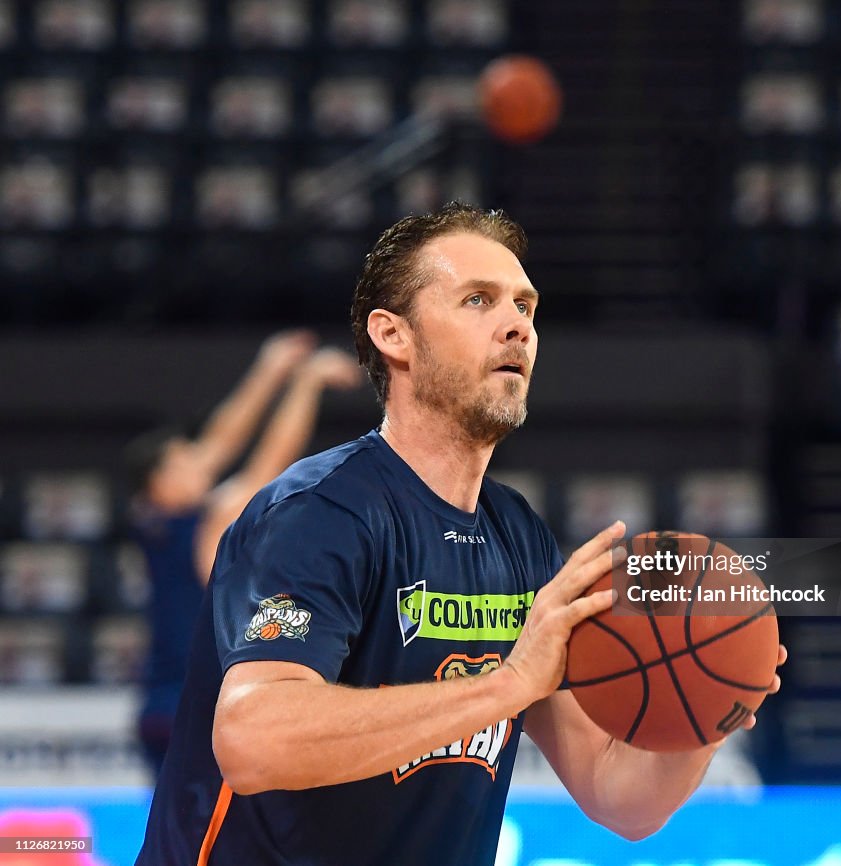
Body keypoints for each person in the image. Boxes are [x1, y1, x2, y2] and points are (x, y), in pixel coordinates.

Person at [134, 203, 786, 865]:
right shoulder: (318, 512)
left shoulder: (520, 537)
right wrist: (505, 686)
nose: (517, 327)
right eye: (479, 300)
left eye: (527, 307)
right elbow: (252, 741)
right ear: (394, 335)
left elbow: (619, 796)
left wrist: (712, 699)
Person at [125, 331, 363, 778]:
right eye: (184, 462)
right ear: (157, 481)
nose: (201, 462)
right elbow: (270, 464)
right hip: (196, 705)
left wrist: (270, 369)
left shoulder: (149, 518)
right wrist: (306, 383)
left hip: (158, 706)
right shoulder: (203, 523)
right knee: (215, 837)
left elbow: (220, 440)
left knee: (175, 834)